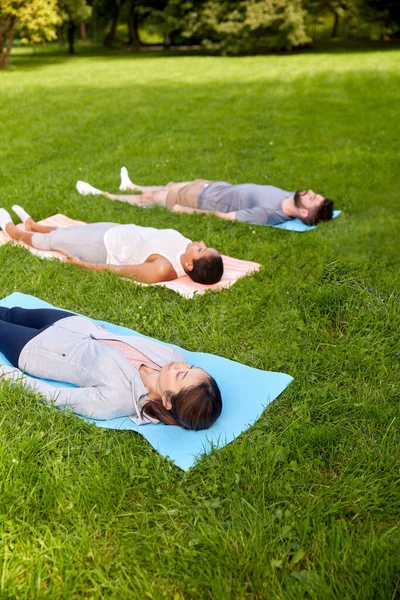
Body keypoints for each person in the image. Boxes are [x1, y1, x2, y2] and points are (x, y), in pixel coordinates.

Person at [0, 306, 222, 430]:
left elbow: (57, 397)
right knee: (12, 313)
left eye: (181, 374)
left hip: (39, 348)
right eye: (191, 366)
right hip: (76, 325)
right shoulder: (171, 356)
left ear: (167, 400)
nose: (180, 365)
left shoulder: (118, 400)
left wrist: (11, 377)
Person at [0, 206, 223, 285]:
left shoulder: (163, 268)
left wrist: (83, 265)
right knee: (71, 231)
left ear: (190, 266)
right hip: (115, 229)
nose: (200, 243)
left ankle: (13, 231)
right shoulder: (186, 247)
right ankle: (33, 225)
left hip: (102, 247)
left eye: (202, 249)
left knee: (54, 242)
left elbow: (121, 271)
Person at [76, 167, 335, 227]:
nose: (310, 193)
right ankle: (131, 184)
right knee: (168, 184)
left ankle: (102, 194)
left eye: (313, 199)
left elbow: (225, 216)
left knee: (153, 197)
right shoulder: (291, 197)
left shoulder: (268, 214)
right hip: (211, 187)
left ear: (303, 212)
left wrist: (187, 212)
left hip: (199, 201)